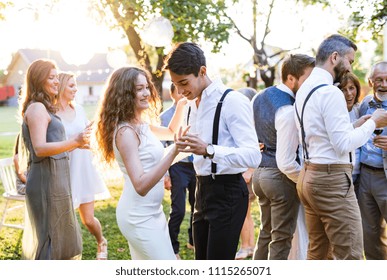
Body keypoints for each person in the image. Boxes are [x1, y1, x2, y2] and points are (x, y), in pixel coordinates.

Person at [163, 42, 262, 260]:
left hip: (228, 192)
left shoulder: (232, 101)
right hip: (202, 191)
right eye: (175, 84)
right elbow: (188, 147)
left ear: (202, 71)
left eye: (184, 83)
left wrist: (209, 149)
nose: (179, 91)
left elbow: (254, 155)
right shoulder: (190, 105)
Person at [294, 34, 387, 260]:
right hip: (331, 181)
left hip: (308, 175)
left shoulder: (305, 89)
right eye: (350, 61)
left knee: (318, 252)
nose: (350, 67)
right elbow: (343, 143)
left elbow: (323, 133)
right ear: (335, 57)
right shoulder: (330, 91)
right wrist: (374, 122)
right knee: (350, 255)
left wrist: (356, 124)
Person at [94, 66, 187, 260]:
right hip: (137, 217)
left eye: (146, 87)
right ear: (125, 94)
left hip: (154, 212)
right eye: (139, 89)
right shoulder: (126, 132)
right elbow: (141, 185)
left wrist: (180, 105)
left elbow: (170, 132)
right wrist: (174, 152)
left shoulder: (141, 125)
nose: (146, 93)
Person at [19, 59, 90, 260]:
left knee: (60, 236)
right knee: (50, 238)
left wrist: (77, 144)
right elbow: (40, 149)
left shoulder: (45, 108)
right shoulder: (37, 109)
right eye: (51, 78)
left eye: (56, 77)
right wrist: (74, 141)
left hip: (57, 181)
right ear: (38, 80)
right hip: (45, 183)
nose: (56, 82)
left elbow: (55, 146)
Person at [252, 54, 315, 260]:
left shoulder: (260, 96)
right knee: (281, 239)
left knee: (265, 233)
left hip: (259, 175)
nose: (310, 85)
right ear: (291, 78)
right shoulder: (288, 109)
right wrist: (305, 180)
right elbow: (286, 162)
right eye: (307, 79)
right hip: (279, 178)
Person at [56, 72, 111, 260]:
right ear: (61, 87)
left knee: (88, 220)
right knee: (65, 221)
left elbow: (87, 136)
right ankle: (69, 256)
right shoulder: (51, 113)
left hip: (83, 168)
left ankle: (101, 240)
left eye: (75, 85)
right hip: (63, 171)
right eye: (71, 85)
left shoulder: (78, 109)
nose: (75, 89)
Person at [160, 83, 196, 260]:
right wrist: (166, 175)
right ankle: (172, 248)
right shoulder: (166, 117)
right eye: (179, 91)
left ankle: (193, 240)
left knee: (198, 207)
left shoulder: (195, 110)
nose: (183, 94)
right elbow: (161, 147)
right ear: (173, 94)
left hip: (196, 165)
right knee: (179, 209)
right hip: (177, 167)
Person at [357, 61, 387, 259]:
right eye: (379, 79)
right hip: (365, 176)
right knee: (369, 233)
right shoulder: (365, 104)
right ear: (370, 81)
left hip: (385, 177)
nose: (384, 84)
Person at [235, 87, 258, 260]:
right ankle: (248, 246)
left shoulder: (255, 124)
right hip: (243, 172)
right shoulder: (245, 122)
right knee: (245, 213)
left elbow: (259, 149)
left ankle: (246, 246)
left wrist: (249, 172)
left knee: (243, 212)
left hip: (247, 174)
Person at [338, 72, 362, 197]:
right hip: (341, 176)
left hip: (360, 176)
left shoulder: (360, 109)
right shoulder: (335, 113)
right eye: (343, 89)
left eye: (351, 88)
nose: (349, 94)